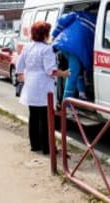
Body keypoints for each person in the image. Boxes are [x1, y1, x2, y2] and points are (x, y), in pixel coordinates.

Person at [16, 21, 69, 154]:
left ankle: (35, 145)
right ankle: (48, 148)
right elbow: (50, 70)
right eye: (48, 32)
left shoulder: (28, 47)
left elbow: (19, 65)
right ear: (44, 34)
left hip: (30, 85)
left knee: (33, 116)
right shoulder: (46, 49)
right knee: (45, 119)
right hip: (43, 86)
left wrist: (22, 76)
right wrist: (64, 73)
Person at [52, 9, 96, 102]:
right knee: (73, 72)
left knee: (76, 69)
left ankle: (81, 93)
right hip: (74, 47)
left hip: (63, 43)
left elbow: (63, 19)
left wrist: (54, 35)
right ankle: (66, 103)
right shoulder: (99, 23)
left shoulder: (81, 14)